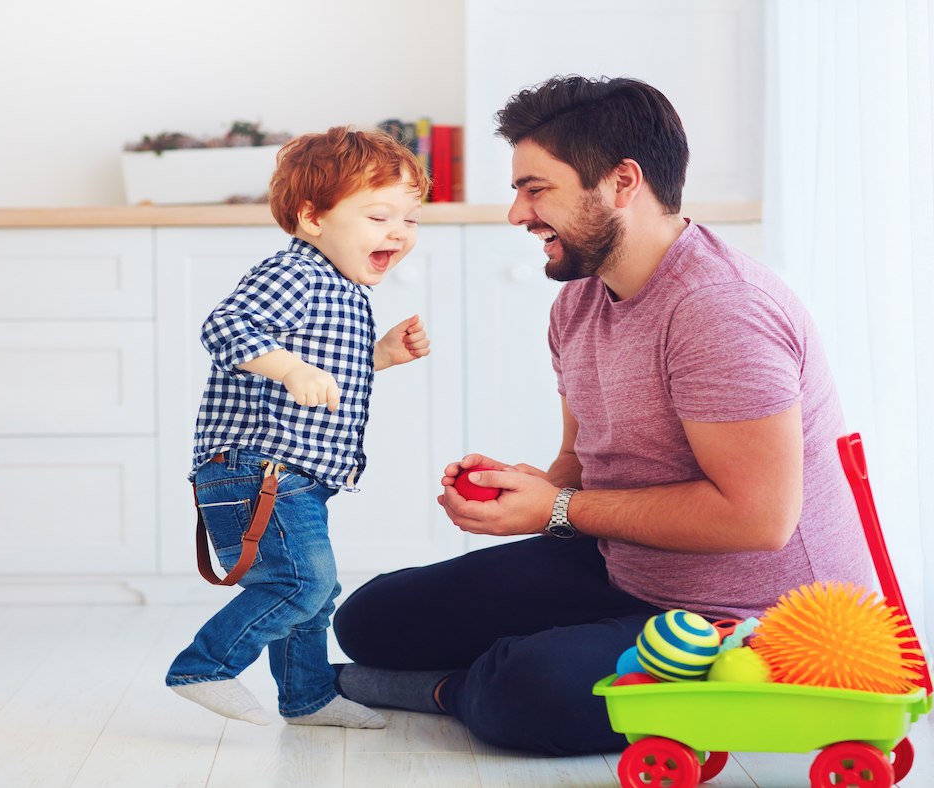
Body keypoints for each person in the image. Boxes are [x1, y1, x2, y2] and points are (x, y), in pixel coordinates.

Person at [330, 76, 875, 755]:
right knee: (372, 620)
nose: (517, 214)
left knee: (528, 691)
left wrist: (557, 510)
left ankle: (454, 689)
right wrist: (525, 489)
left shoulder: (719, 311)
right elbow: (581, 466)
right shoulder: (580, 300)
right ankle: (519, 662)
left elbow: (758, 519)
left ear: (622, 182)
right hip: (631, 568)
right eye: (518, 190)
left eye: (536, 189)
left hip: (749, 616)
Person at [166, 127, 431, 730]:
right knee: (301, 584)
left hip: (294, 472)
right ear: (313, 218)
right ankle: (203, 665)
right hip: (257, 467)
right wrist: (289, 367)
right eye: (379, 216)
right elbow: (225, 327)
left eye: (410, 220)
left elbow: (325, 374)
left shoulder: (344, 283)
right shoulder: (297, 273)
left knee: (313, 591)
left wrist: (380, 355)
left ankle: (307, 696)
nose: (399, 232)